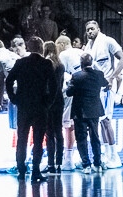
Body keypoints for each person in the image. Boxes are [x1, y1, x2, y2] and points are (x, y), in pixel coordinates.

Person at [9, 36, 63, 176]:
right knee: (38, 140)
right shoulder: (45, 64)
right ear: (40, 47)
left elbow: (9, 81)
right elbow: (54, 86)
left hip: (24, 105)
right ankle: (36, 170)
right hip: (40, 106)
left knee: (22, 138)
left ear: (28, 47)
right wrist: (48, 103)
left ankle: (21, 169)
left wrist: (14, 98)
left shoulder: (20, 62)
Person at [68, 42, 111, 171]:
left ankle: (86, 164)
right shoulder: (99, 75)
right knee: (95, 137)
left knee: (81, 138)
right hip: (94, 111)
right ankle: (97, 163)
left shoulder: (76, 76)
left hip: (80, 112)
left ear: (81, 63)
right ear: (91, 62)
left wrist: (68, 84)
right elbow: (106, 84)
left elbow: (69, 93)